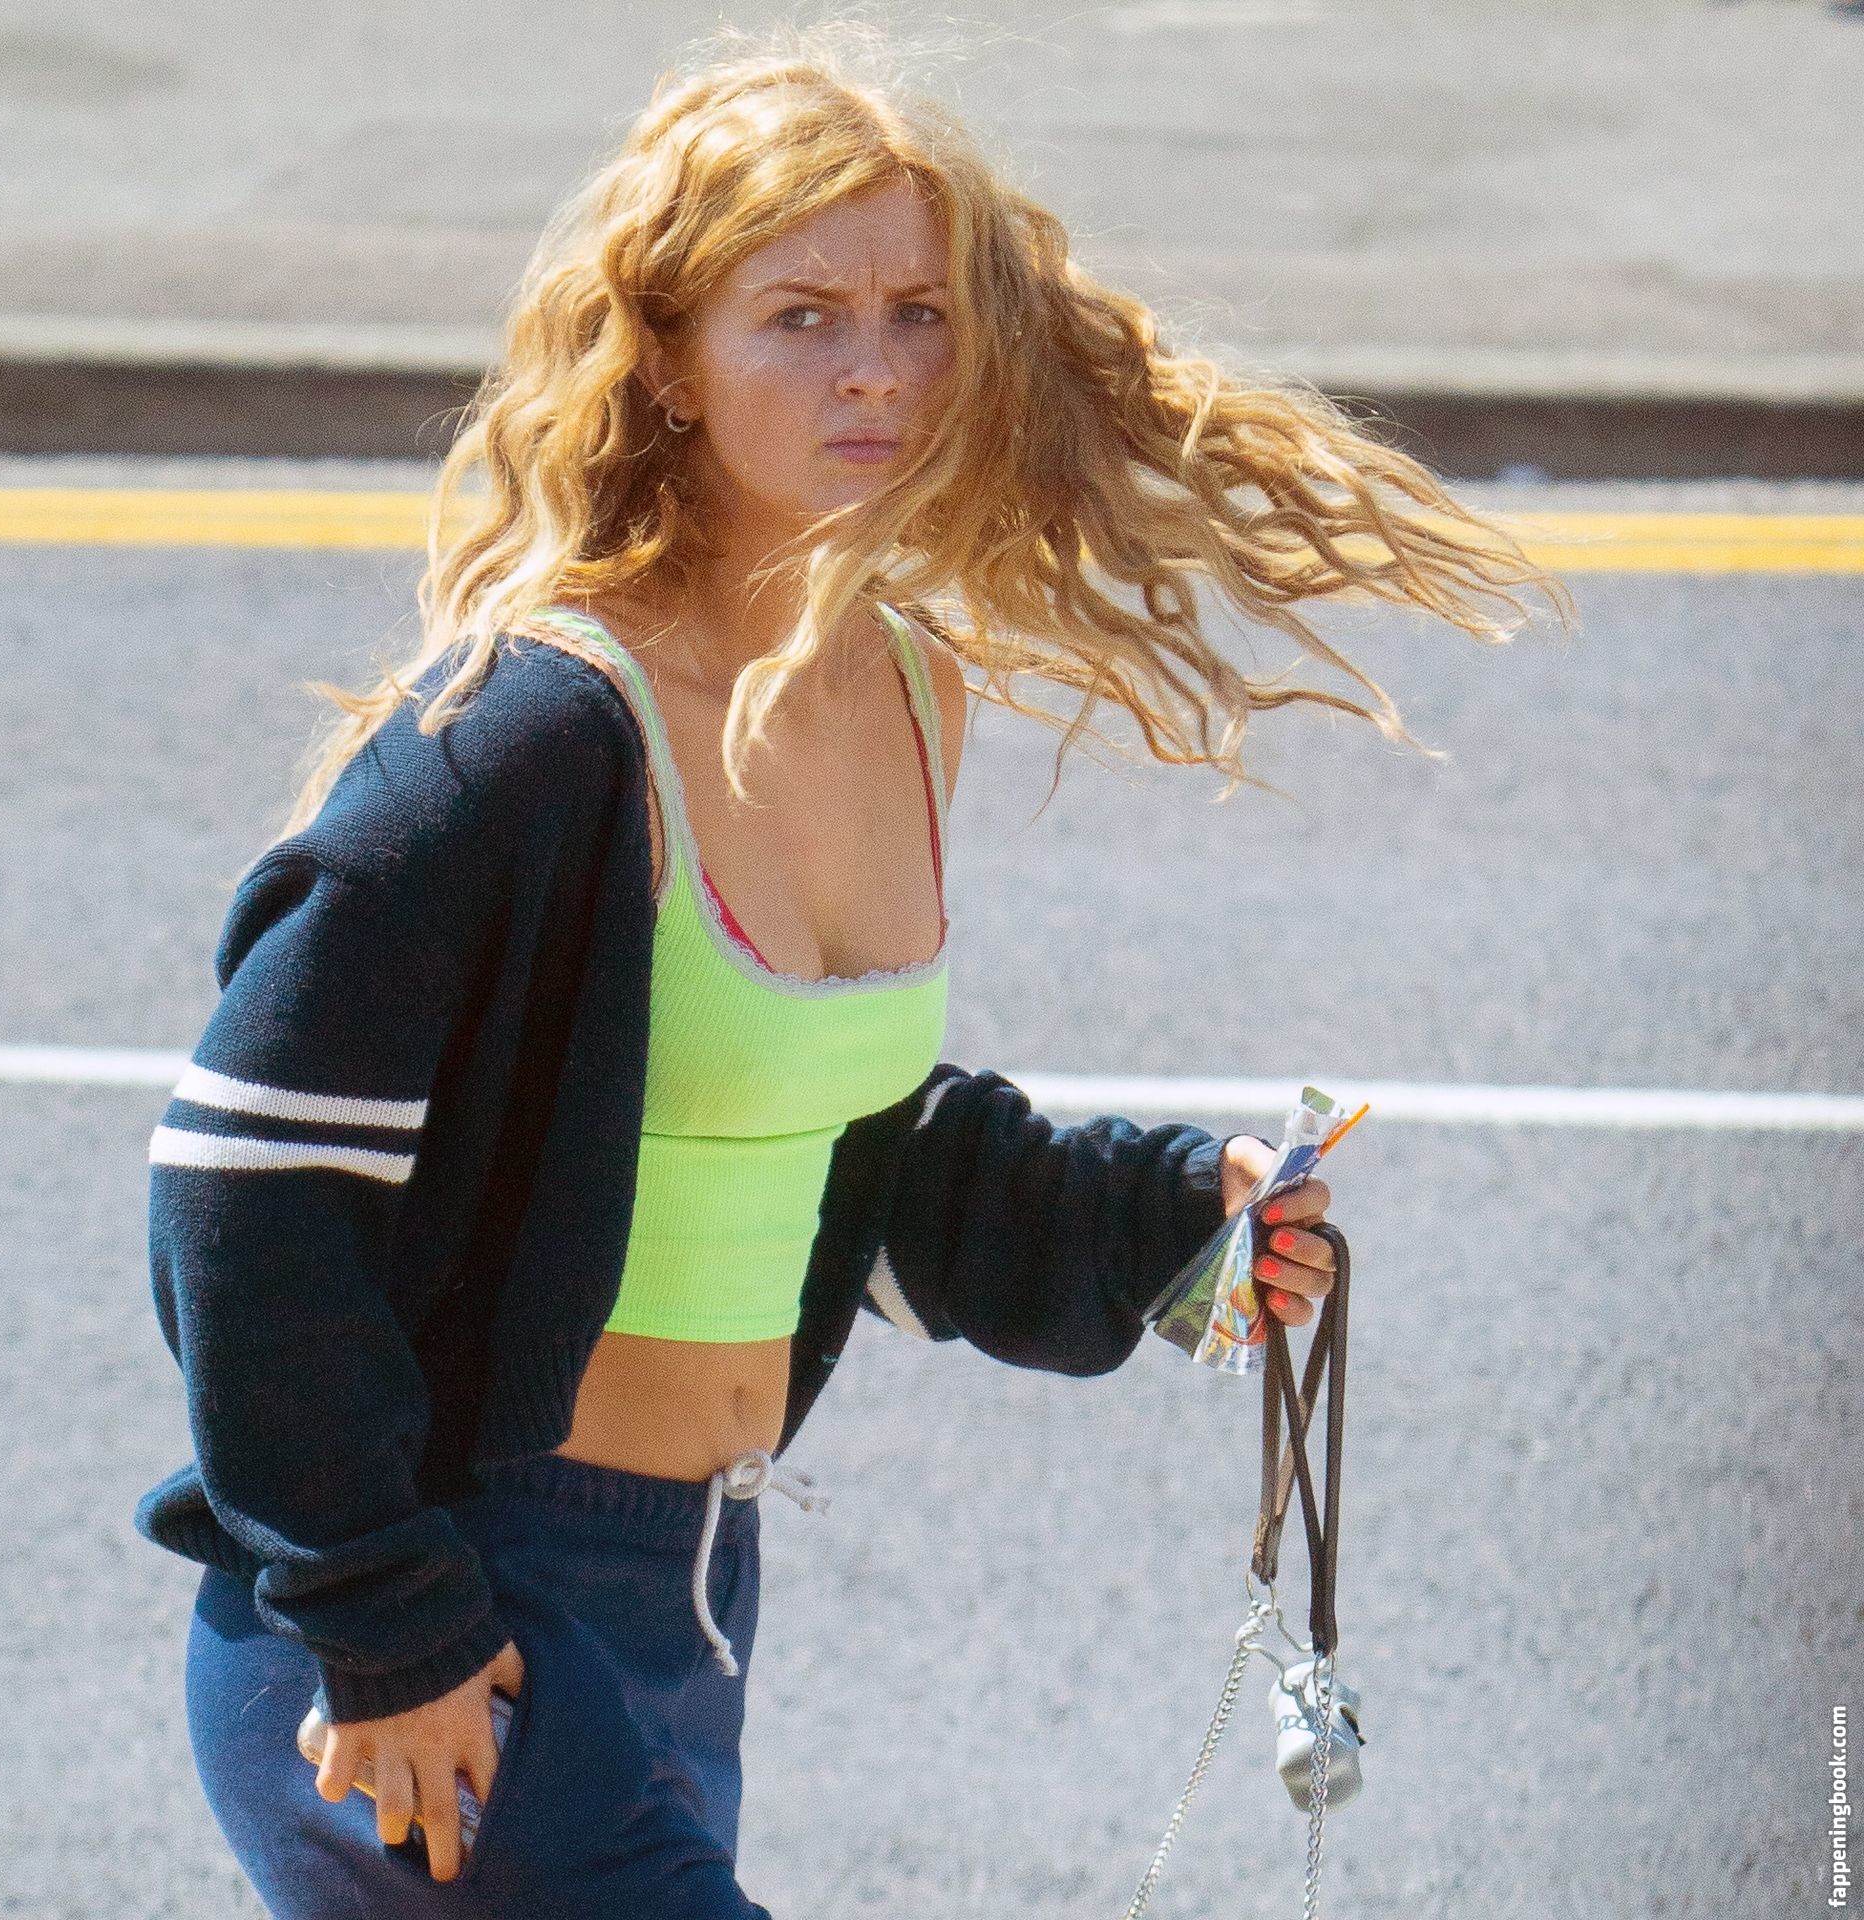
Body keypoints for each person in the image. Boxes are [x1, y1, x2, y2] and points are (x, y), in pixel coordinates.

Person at [133, 21, 1573, 1917]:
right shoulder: (529, 736)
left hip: (685, 1594)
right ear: (666, 357)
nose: (875, 368)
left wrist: (1155, 1226)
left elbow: (836, 1159)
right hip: (435, 1613)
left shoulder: (903, 688)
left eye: (915, 314)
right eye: (800, 317)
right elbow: (245, 1188)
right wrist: (382, 1616)